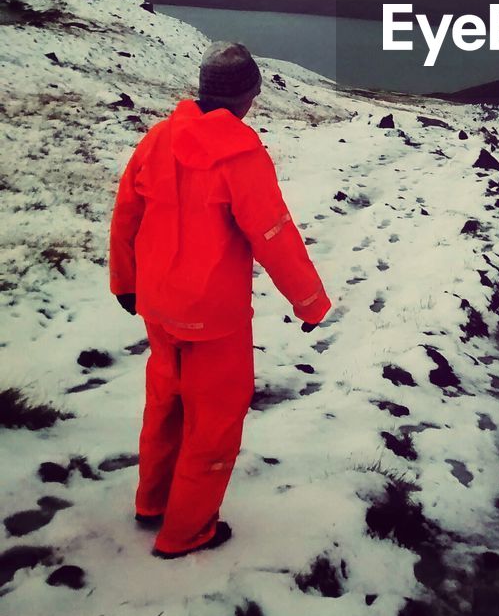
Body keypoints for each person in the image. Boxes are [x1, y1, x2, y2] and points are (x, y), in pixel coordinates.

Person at [109, 41, 332, 559]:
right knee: (213, 424)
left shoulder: (158, 138)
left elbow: (127, 214)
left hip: (158, 308)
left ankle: (153, 503)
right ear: (249, 95)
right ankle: (186, 532)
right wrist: (311, 303)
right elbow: (273, 235)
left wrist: (126, 282)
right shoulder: (241, 154)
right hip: (214, 319)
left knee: (165, 407)